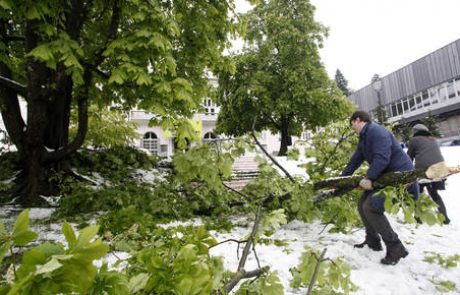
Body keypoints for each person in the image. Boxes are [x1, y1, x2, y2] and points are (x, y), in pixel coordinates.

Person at [341, 110, 419, 265]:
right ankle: (373, 240)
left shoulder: (376, 131)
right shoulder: (364, 138)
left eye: (352, 124)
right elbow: (355, 160)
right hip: (385, 178)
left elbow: (382, 158)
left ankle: (396, 247)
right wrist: (341, 179)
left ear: (358, 120)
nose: (352, 128)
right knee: (362, 204)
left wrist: (369, 177)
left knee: (371, 206)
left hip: (401, 178)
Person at [407, 123, 450, 224]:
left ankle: (418, 218)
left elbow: (408, 158)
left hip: (425, 170)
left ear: (415, 132)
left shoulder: (414, 140)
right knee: (434, 193)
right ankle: (445, 218)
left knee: (418, 193)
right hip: (440, 168)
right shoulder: (432, 139)